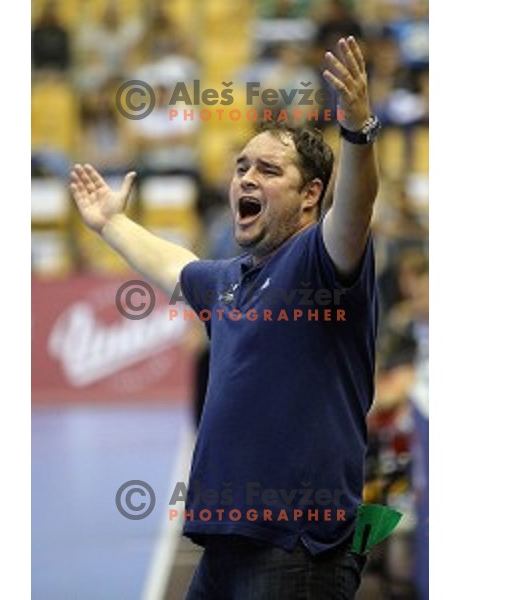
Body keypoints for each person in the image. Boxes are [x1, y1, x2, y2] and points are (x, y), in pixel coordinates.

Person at [70, 37, 380, 599]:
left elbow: (354, 208)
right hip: (225, 546)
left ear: (311, 195)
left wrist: (358, 132)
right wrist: (110, 224)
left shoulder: (319, 261)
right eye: (241, 167)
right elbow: (174, 265)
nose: (246, 178)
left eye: (268, 169)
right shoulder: (232, 280)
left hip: (297, 548)